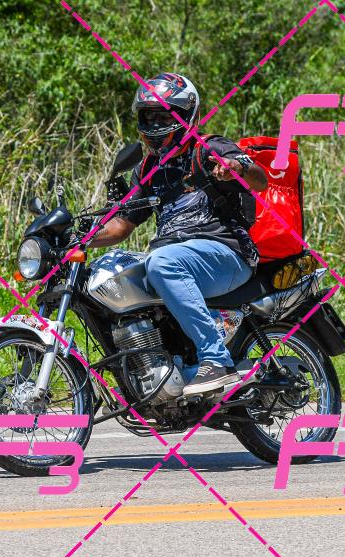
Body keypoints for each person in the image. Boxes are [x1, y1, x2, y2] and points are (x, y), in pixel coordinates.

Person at [89, 72, 268, 395]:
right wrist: (78, 238)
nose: (155, 123)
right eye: (149, 116)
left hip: (226, 253)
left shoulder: (209, 148)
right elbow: (121, 225)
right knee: (115, 273)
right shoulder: (148, 169)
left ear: (186, 115)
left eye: (163, 115)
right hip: (180, 257)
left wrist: (237, 168)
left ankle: (217, 360)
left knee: (161, 263)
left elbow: (260, 180)